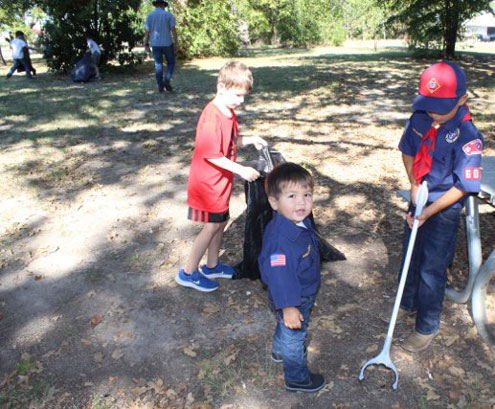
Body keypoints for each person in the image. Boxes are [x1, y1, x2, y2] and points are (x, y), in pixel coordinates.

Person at [395, 61, 484, 352]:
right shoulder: (420, 118)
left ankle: (426, 325)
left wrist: (429, 212)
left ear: (462, 99)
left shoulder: (468, 135)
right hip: (419, 198)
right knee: (410, 255)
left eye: (440, 108)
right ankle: (406, 302)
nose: (433, 113)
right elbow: (408, 150)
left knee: (432, 267)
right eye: (428, 106)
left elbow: (463, 186)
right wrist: (413, 184)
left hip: (444, 207)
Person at [175, 61, 267, 292]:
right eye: (237, 95)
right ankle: (188, 272)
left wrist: (250, 139)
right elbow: (212, 154)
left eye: (244, 96)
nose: (241, 101)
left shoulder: (229, 113)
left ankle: (212, 265)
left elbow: (228, 142)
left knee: (221, 221)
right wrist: (241, 170)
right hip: (207, 184)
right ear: (221, 87)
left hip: (221, 183)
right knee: (212, 225)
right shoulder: (212, 116)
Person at [258, 162, 326, 393]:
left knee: (286, 328)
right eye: (292, 196)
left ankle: (279, 350)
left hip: (300, 290)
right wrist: (288, 307)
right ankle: (296, 377)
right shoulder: (281, 241)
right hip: (294, 296)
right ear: (274, 202)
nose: (301, 202)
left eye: (307, 195)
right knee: (294, 335)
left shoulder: (296, 221)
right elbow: (280, 277)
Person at [144, 0, 178, 92]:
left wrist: (146, 44)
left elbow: (147, 32)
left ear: (155, 5)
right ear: (163, 5)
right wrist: (176, 42)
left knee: (158, 65)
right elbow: (173, 30)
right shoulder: (169, 15)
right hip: (167, 43)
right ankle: (166, 80)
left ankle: (160, 86)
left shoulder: (150, 16)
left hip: (155, 44)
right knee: (171, 63)